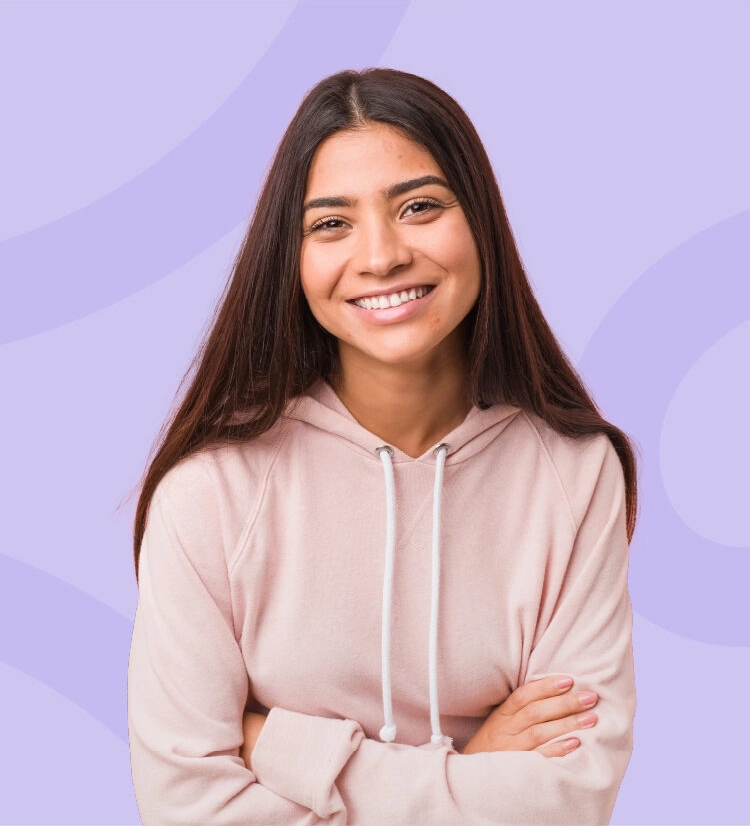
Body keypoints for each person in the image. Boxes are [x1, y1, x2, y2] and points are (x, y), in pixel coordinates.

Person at [128, 68, 637, 825]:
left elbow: (570, 801)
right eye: (332, 224)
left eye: (419, 207)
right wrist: (473, 771)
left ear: (481, 219)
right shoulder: (212, 490)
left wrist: (281, 746)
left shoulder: (574, 473)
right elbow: (187, 808)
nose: (381, 255)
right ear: (292, 256)